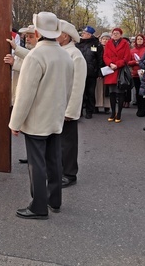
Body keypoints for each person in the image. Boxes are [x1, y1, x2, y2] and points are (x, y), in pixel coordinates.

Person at [9, 12, 74, 219]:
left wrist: (15, 122)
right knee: (54, 160)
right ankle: (54, 200)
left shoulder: (36, 56)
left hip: (37, 118)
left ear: (37, 32)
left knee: (36, 163)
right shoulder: (65, 54)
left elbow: (25, 94)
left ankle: (38, 206)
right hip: (56, 116)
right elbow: (69, 88)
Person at [57, 20, 87, 188]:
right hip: (57, 104)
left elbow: (77, 85)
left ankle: (69, 173)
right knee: (58, 141)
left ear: (66, 36)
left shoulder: (75, 54)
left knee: (68, 142)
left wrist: (71, 110)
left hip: (67, 105)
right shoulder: (61, 51)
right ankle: (59, 169)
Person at [5, 24, 39, 164]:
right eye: (27, 37)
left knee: (34, 126)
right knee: (28, 126)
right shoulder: (26, 51)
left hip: (33, 97)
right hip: (18, 90)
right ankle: (30, 153)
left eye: (31, 36)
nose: (28, 39)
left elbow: (31, 67)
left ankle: (35, 155)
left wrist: (15, 62)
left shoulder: (37, 53)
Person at [103, 27, 131, 123]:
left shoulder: (125, 44)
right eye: (114, 33)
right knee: (112, 93)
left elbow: (127, 57)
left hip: (120, 71)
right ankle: (113, 112)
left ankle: (119, 113)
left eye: (117, 33)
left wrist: (117, 64)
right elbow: (105, 56)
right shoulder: (108, 43)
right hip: (111, 70)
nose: (115, 34)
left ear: (121, 35)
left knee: (120, 93)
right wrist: (110, 63)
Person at [76, 26, 102, 119]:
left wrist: (99, 72)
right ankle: (79, 111)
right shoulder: (78, 44)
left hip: (91, 72)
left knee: (90, 92)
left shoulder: (96, 45)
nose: (82, 35)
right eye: (82, 33)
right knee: (79, 92)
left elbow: (99, 59)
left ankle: (89, 111)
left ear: (89, 35)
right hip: (79, 72)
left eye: (84, 33)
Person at [129, 34, 145, 117]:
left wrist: (141, 62)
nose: (139, 40)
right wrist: (135, 62)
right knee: (138, 91)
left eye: (141, 39)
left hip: (144, 73)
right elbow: (128, 62)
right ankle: (140, 108)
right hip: (136, 74)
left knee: (144, 92)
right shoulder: (132, 51)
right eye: (138, 39)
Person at [95, 32, 111, 114]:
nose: (105, 41)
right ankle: (97, 105)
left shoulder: (111, 48)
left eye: (107, 39)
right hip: (99, 70)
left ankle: (107, 106)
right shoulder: (97, 47)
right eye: (104, 39)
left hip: (109, 71)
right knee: (98, 89)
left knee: (107, 90)